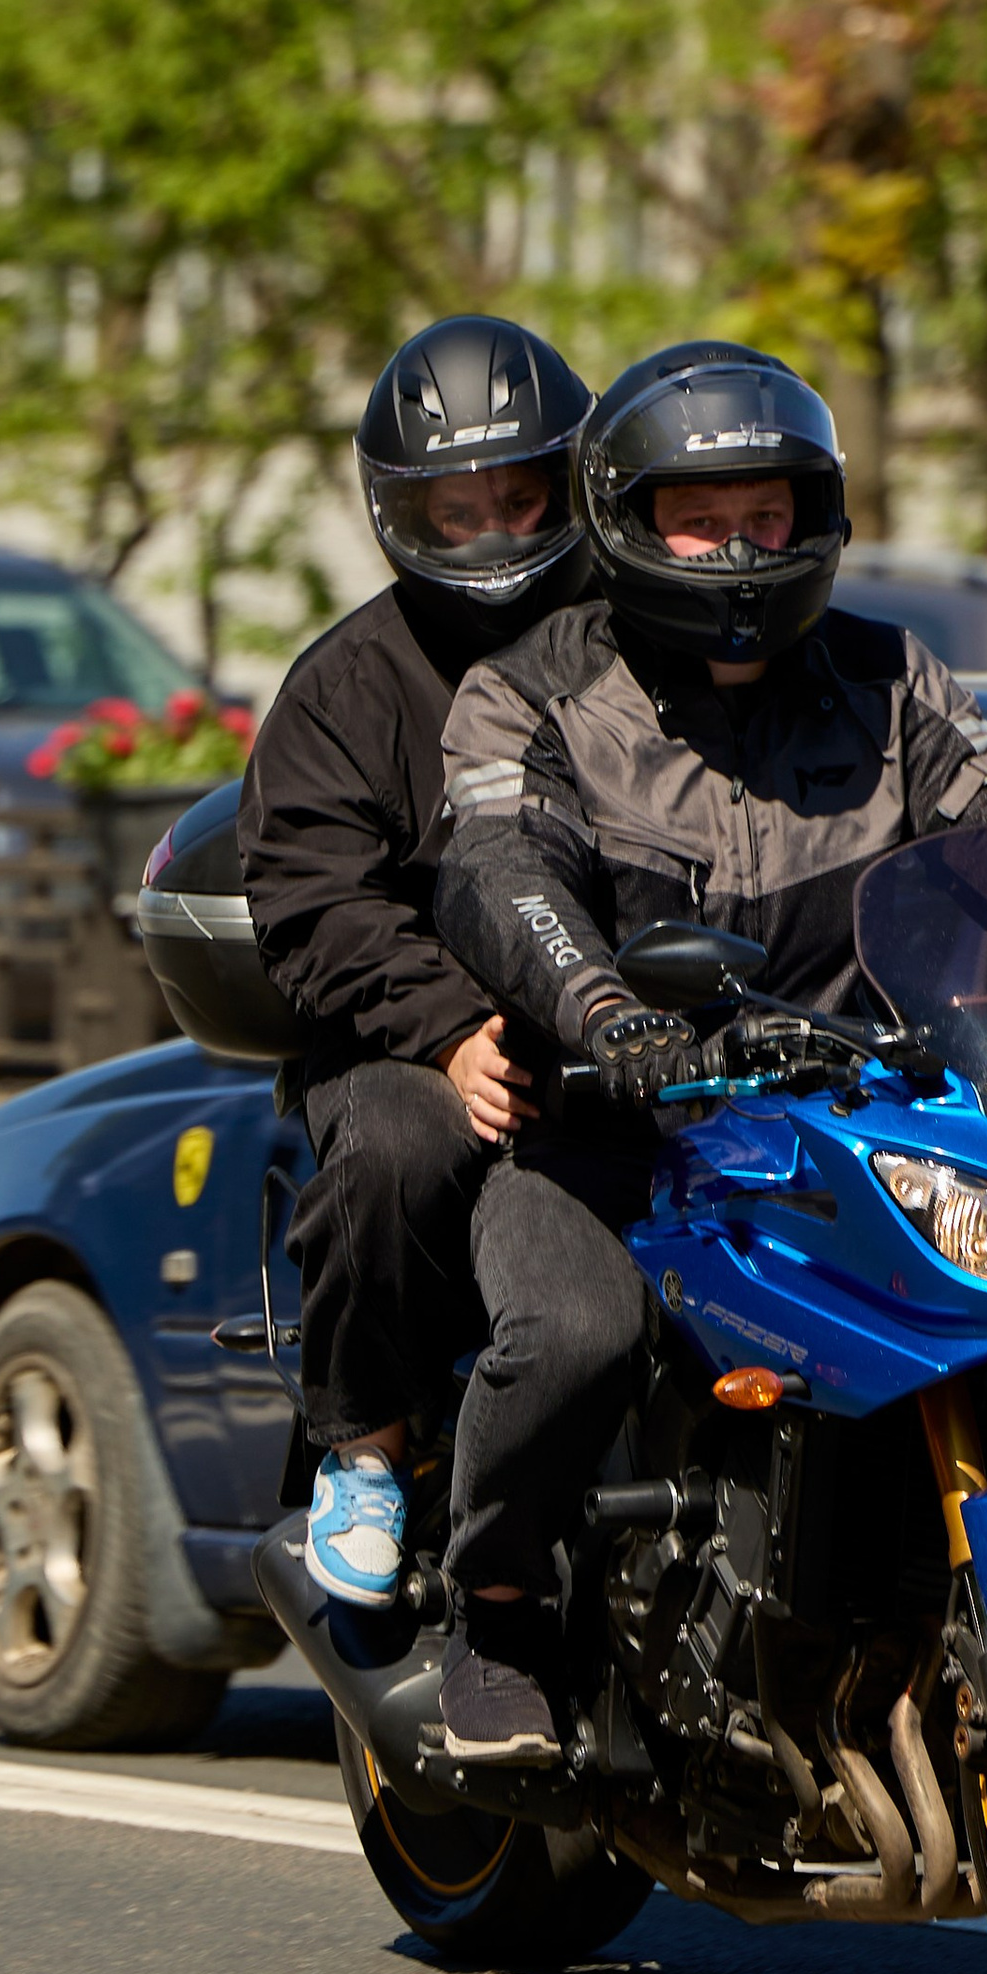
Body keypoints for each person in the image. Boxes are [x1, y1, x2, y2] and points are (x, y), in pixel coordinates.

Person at [426, 341, 987, 1764]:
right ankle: (493, 1613)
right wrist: (610, 1018)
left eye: (770, 513)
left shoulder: (887, 677)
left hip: (852, 1111)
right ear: (628, 521)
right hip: (613, 1121)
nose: (741, 547)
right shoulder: (533, 692)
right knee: (577, 1334)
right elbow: (504, 873)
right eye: (704, 517)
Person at [239, 312, 591, 1602]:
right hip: (410, 1042)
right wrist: (453, 1029)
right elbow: (312, 899)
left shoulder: (639, 646)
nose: (493, 530)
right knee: (395, 1144)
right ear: (400, 511)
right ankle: (367, 1448)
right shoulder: (342, 686)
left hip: (628, 1037)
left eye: (519, 495)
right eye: (457, 509)